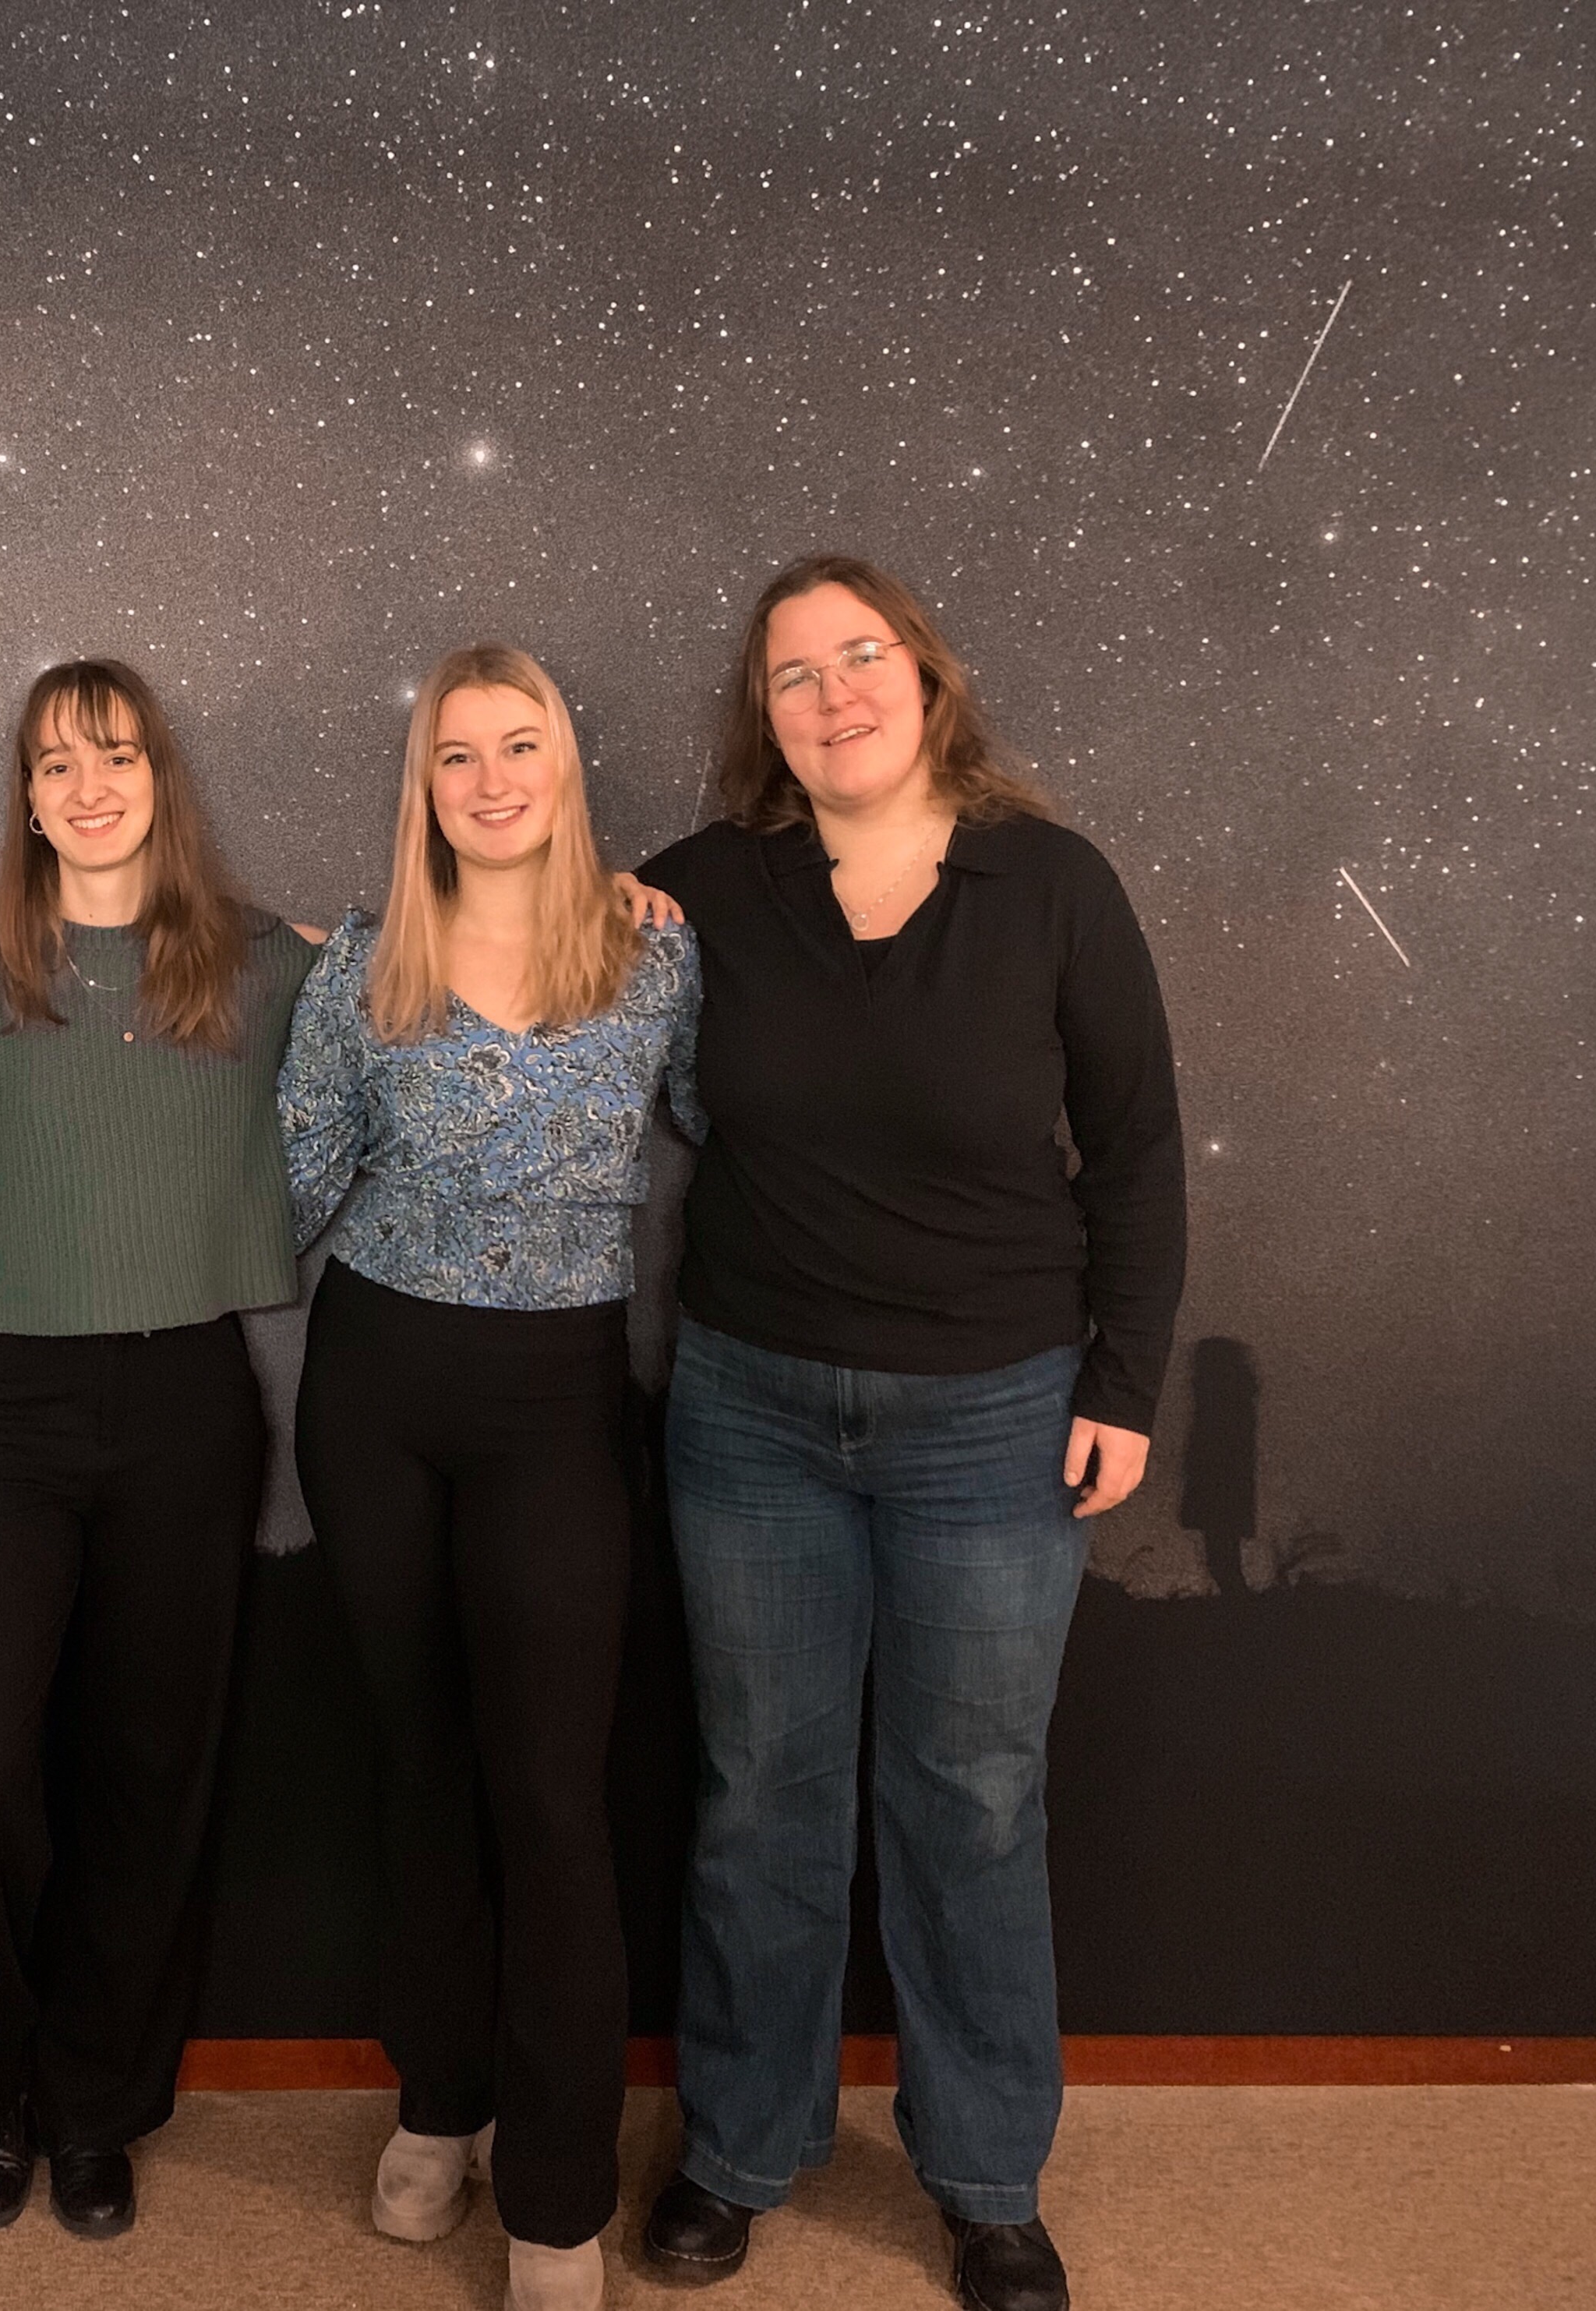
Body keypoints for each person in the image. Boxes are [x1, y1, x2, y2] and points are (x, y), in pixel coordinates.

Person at [634, 557, 1185, 2311]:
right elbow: (511, 949)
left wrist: (1122, 1380)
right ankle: (735, 2147)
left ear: (924, 677)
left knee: (970, 1797)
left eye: (857, 657)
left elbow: (1139, 1149)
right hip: (750, 1412)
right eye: (791, 676)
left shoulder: (1052, 884)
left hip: (995, 1417)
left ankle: (982, 2175)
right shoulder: (704, 886)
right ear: (764, 721)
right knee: (758, 1794)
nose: (831, 694)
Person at [0, 659, 318, 2241]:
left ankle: (96, 2102)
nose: (86, 785)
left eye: (112, 755)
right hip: (5, 1408)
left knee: (144, 1774)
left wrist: (631, 908)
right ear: (26, 797)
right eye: (54, 763)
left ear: (156, 776)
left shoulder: (261, 962)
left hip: (189, 1399)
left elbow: (435, 1016)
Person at [280, 644, 701, 2311]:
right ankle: (437, 2097)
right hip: (376, 1385)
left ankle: (553, 2193)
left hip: (553, 1399)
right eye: (455, 755)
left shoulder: (654, 958)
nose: (490, 779)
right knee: (421, 1764)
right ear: (423, 786)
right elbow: (295, 1176)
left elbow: (752, 1139)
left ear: (563, 762)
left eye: (517, 745)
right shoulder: (362, 962)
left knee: (549, 1794)